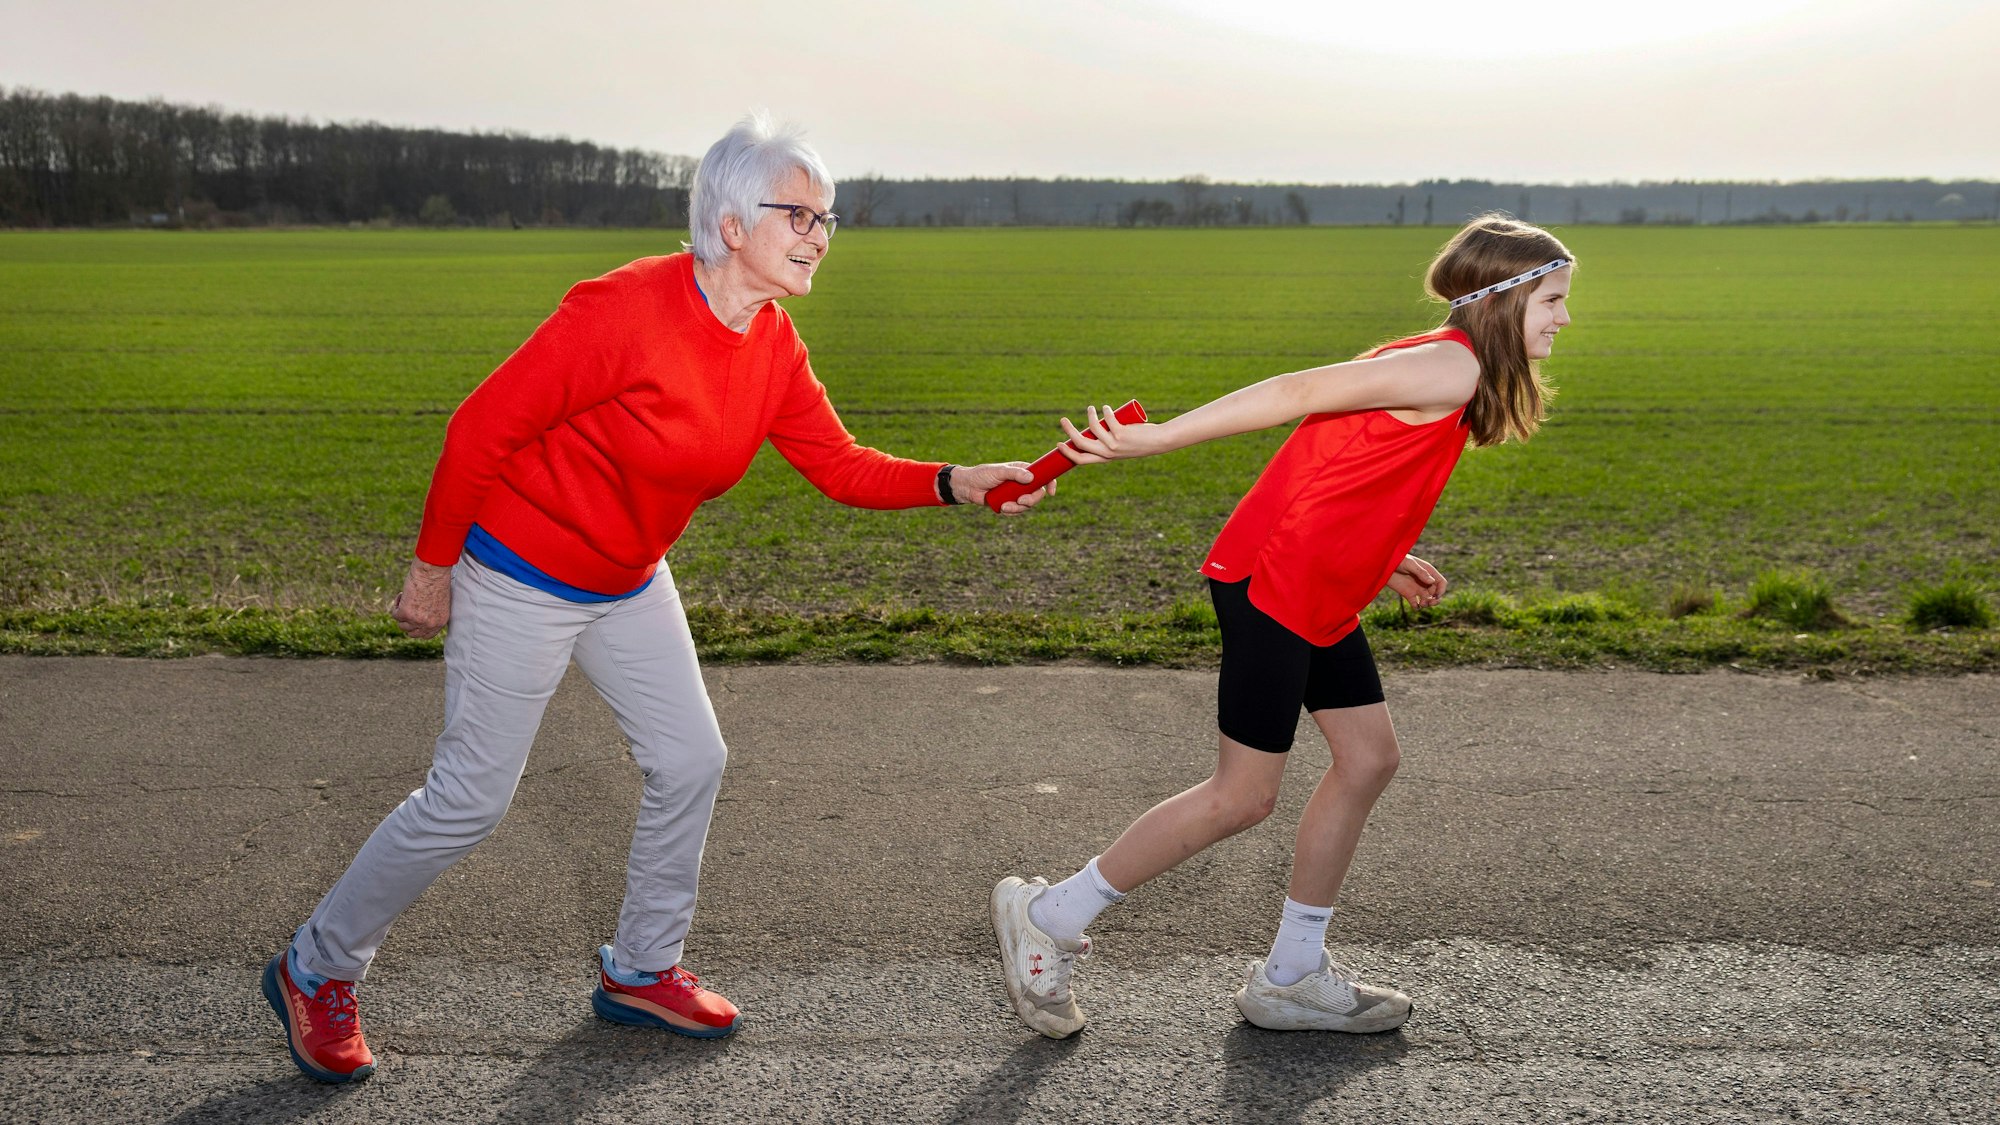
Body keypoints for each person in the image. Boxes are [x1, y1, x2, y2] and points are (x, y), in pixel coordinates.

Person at [262, 112, 1055, 1083]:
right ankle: (317, 966)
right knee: (470, 799)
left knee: (689, 760)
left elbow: (838, 465)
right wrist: (432, 572)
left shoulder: (770, 345)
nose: (818, 233)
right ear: (729, 224)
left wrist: (954, 480)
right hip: (517, 572)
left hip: (627, 578)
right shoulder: (622, 309)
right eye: (799, 213)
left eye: (828, 217)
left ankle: (639, 968)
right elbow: (479, 430)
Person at [991, 215, 1575, 1038]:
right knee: (1242, 796)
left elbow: (1353, 464)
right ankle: (1049, 915)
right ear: (1504, 298)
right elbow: (1296, 393)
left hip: (1323, 587)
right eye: (1552, 299)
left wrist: (1388, 554)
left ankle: (1293, 973)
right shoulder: (1449, 364)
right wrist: (1158, 439)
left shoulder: (1448, 365)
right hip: (1275, 583)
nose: (1563, 317)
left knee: (1369, 758)